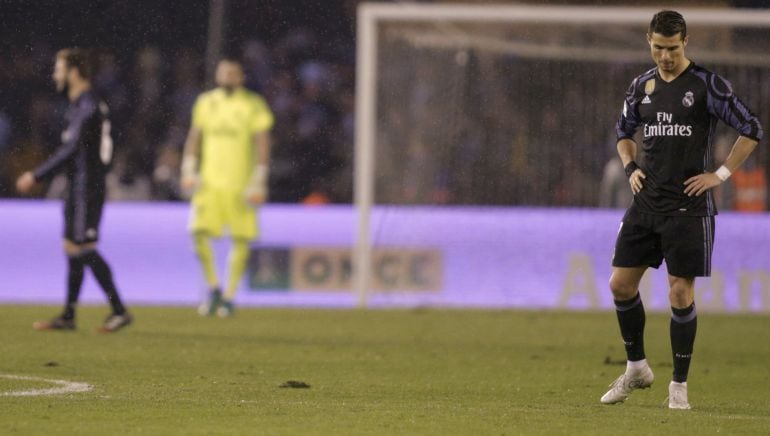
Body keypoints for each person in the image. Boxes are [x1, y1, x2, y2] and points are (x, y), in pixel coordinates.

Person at [601, 10, 763, 410]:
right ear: (649, 41)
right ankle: (637, 367)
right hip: (646, 203)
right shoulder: (641, 85)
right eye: (658, 48)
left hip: (689, 207)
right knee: (620, 285)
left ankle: (679, 387)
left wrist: (719, 174)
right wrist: (630, 166)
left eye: (672, 48)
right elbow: (624, 133)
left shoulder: (707, 84)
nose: (665, 56)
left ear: (685, 42)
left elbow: (751, 129)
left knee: (679, 291)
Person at [16, 48, 132, 333]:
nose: (55, 74)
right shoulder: (80, 104)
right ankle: (69, 316)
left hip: (88, 186)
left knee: (84, 247)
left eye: (59, 68)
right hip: (77, 184)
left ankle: (119, 310)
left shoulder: (88, 105)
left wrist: (36, 174)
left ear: (74, 72)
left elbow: (72, 149)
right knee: (72, 246)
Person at [181, 57, 274, 317]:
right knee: (197, 234)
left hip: (241, 184)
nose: (228, 77)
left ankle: (230, 297)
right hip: (209, 183)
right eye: (224, 72)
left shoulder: (253, 104)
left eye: (233, 73)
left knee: (241, 238)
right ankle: (213, 289)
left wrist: (260, 176)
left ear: (241, 77)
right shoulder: (206, 102)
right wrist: (189, 167)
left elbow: (262, 140)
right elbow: (195, 136)